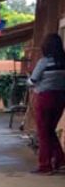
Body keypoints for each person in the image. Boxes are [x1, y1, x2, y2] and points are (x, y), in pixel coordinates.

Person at [28, 32, 65, 174]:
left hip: (45, 98)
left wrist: (28, 81)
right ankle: (60, 160)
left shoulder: (44, 62)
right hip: (61, 98)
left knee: (43, 132)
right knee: (50, 131)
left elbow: (33, 80)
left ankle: (45, 165)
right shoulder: (63, 62)